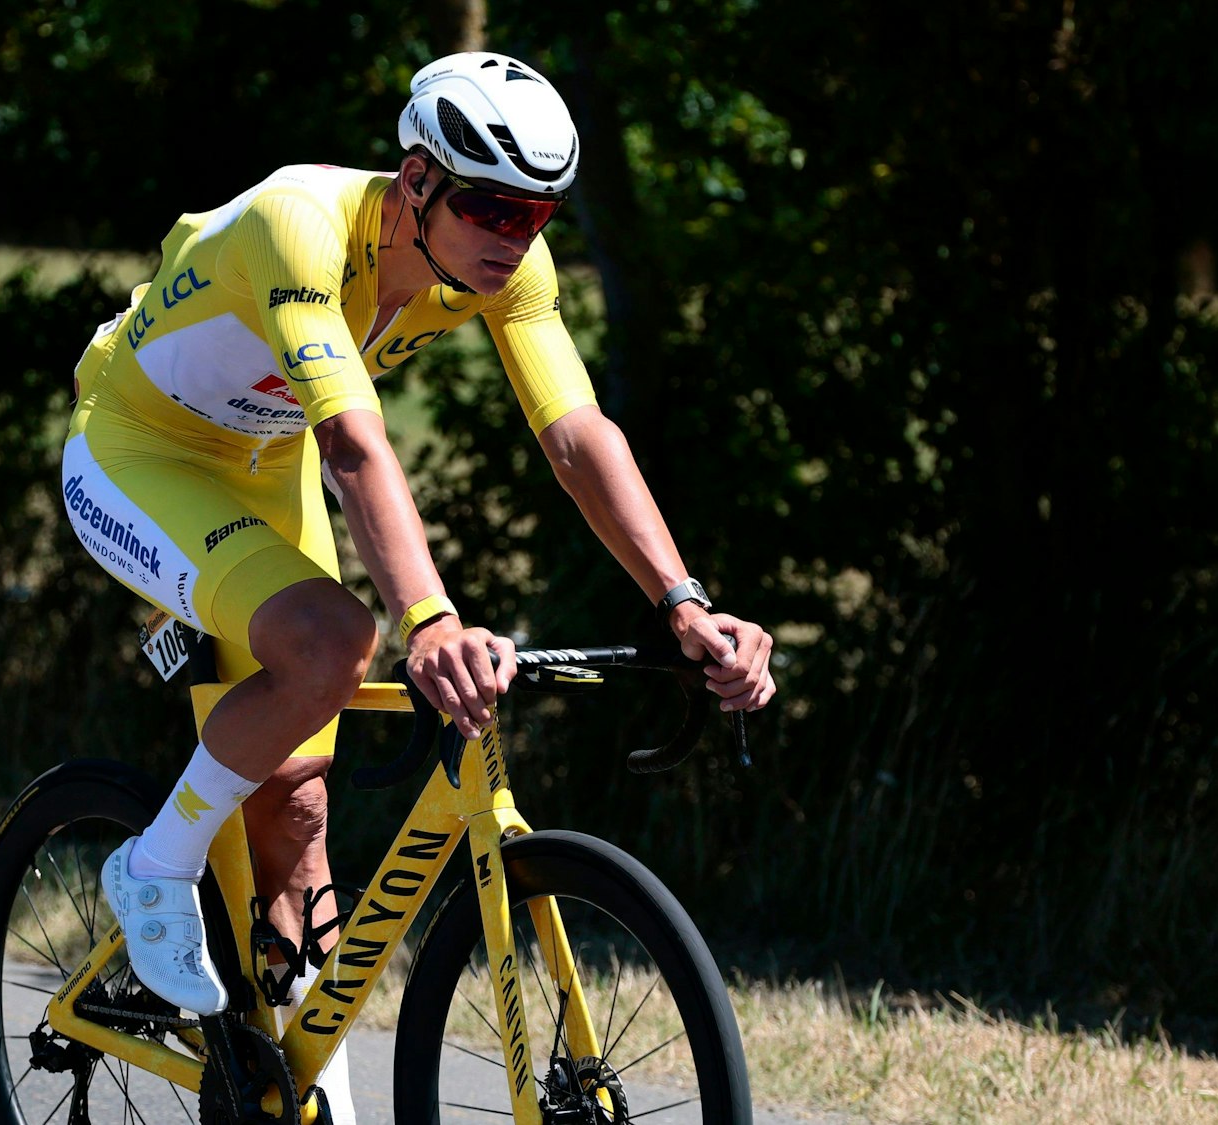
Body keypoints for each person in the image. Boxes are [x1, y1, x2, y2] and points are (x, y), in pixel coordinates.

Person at [63, 50, 775, 1115]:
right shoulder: (300, 227)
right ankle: (153, 865)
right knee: (333, 641)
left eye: (536, 216)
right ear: (416, 180)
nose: (511, 237)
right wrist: (429, 621)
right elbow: (355, 447)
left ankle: (307, 1099)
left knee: (300, 809)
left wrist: (682, 601)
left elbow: (576, 435)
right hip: (137, 451)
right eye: (489, 208)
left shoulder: (508, 266)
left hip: (264, 461)